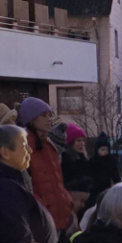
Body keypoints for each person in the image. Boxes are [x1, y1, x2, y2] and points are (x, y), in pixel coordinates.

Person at [16, 97, 74, 232]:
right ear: (31, 119)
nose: (48, 119)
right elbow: (25, 186)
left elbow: (57, 183)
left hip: (59, 218)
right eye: (43, 115)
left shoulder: (49, 146)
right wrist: (41, 211)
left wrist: (67, 203)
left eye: (49, 115)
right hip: (40, 223)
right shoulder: (23, 146)